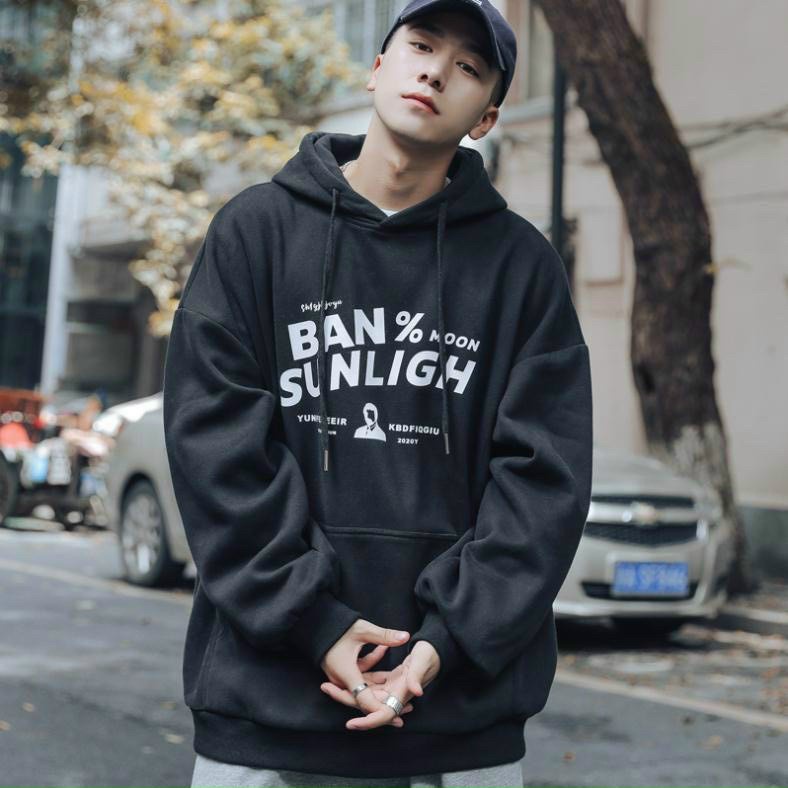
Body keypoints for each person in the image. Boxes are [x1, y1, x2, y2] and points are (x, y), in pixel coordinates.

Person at [162, 0, 593, 785]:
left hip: (460, 712)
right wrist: (312, 620)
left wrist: (443, 642)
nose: (436, 71)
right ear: (377, 68)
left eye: (468, 66)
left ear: (487, 117)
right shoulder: (255, 233)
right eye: (420, 46)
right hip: (262, 701)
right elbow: (215, 449)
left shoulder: (522, 269)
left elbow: (542, 484)